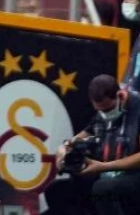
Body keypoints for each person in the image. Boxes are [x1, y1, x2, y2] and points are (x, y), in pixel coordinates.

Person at [44, 74, 140, 214]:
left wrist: (104, 167)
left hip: (134, 174)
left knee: (102, 188)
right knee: (57, 191)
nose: (104, 114)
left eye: (107, 109)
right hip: (110, 174)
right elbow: (84, 134)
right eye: (100, 110)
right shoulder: (103, 113)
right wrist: (64, 148)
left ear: (121, 96)